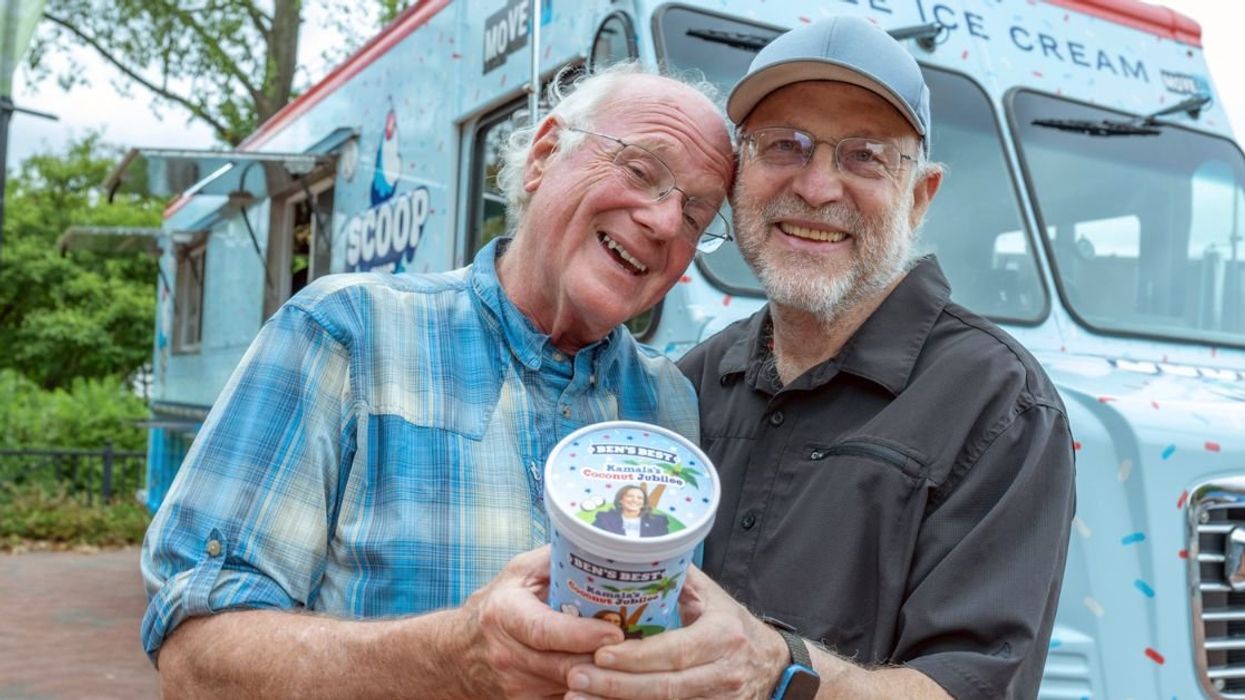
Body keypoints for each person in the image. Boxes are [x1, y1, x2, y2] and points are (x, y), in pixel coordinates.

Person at [139, 63, 736, 698]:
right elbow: (192, 655)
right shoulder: (347, 331)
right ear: (543, 157)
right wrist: (450, 657)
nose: (667, 224)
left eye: (697, 215)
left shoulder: (671, 402)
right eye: (642, 171)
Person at [565, 16, 1076, 700]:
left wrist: (780, 671)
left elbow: (971, 688)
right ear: (740, 178)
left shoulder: (1002, 405)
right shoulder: (685, 385)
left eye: (865, 155)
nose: (816, 187)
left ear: (919, 197)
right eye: (784, 146)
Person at [592, 484, 670, 538]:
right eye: (630, 496)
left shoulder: (657, 522)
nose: (634, 500)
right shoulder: (604, 519)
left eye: (639, 498)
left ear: (644, 503)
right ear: (620, 499)